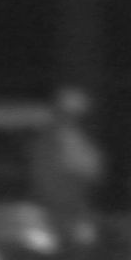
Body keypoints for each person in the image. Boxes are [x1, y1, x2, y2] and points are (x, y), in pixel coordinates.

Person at [29, 86, 107, 248]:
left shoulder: (76, 137)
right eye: (66, 112)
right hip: (54, 209)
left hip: (73, 208)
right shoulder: (52, 138)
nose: (70, 117)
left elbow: (93, 169)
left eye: (75, 113)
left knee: (81, 243)